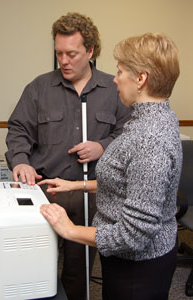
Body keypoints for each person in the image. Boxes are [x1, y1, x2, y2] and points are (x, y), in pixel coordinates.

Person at [39, 32, 182, 300]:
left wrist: (69, 229)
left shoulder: (149, 139)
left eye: (120, 72)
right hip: (128, 261)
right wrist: (74, 185)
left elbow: (133, 236)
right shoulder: (150, 120)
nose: (115, 79)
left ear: (141, 79)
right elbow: (129, 184)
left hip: (137, 270)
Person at [5, 12, 130, 300]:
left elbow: (129, 136)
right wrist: (21, 159)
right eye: (59, 53)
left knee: (77, 273)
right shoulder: (39, 88)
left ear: (90, 51)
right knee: (33, 266)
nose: (64, 61)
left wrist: (103, 145)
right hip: (45, 191)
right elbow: (18, 130)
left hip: (91, 196)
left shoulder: (115, 90)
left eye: (71, 54)